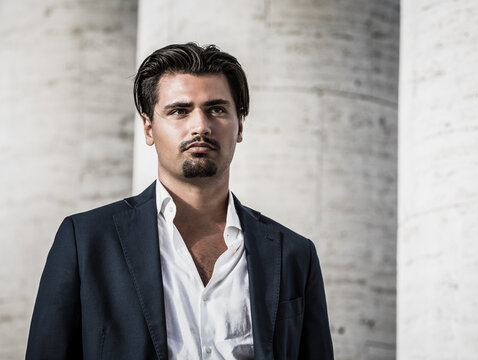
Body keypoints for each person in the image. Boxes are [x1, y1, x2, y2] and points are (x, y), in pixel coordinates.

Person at [26, 43, 333, 360]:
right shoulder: (85, 240)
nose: (200, 126)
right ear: (148, 127)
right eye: (179, 111)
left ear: (240, 125)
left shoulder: (295, 254)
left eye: (216, 109)